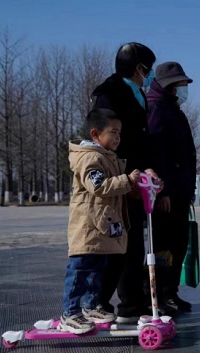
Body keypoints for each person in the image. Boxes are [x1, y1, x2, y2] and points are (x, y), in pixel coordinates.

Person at [90, 42, 158, 324]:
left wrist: (146, 169)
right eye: (148, 68)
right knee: (116, 245)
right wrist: (125, 177)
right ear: (139, 67)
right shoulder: (110, 94)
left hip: (136, 177)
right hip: (119, 179)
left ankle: (132, 302)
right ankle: (98, 303)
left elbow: (140, 139)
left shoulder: (138, 92)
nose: (150, 74)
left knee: (133, 245)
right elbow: (107, 143)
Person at [61, 109, 141, 334]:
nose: (118, 138)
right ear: (95, 134)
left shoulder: (108, 157)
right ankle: (70, 313)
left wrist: (131, 186)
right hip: (87, 228)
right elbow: (98, 186)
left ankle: (90, 307)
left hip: (101, 226)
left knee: (97, 270)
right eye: (113, 132)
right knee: (79, 271)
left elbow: (115, 189)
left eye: (120, 133)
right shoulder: (90, 157)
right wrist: (126, 180)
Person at [146, 61, 196, 314]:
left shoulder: (173, 109)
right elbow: (156, 154)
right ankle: (161, 294)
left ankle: (171, 291)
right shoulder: (156, 108)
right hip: (166, 193)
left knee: (178, 244)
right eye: (180, 85)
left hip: (180, 191)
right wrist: (162, 191)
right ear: (168, 86)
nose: (183, 90)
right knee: (166, 245)